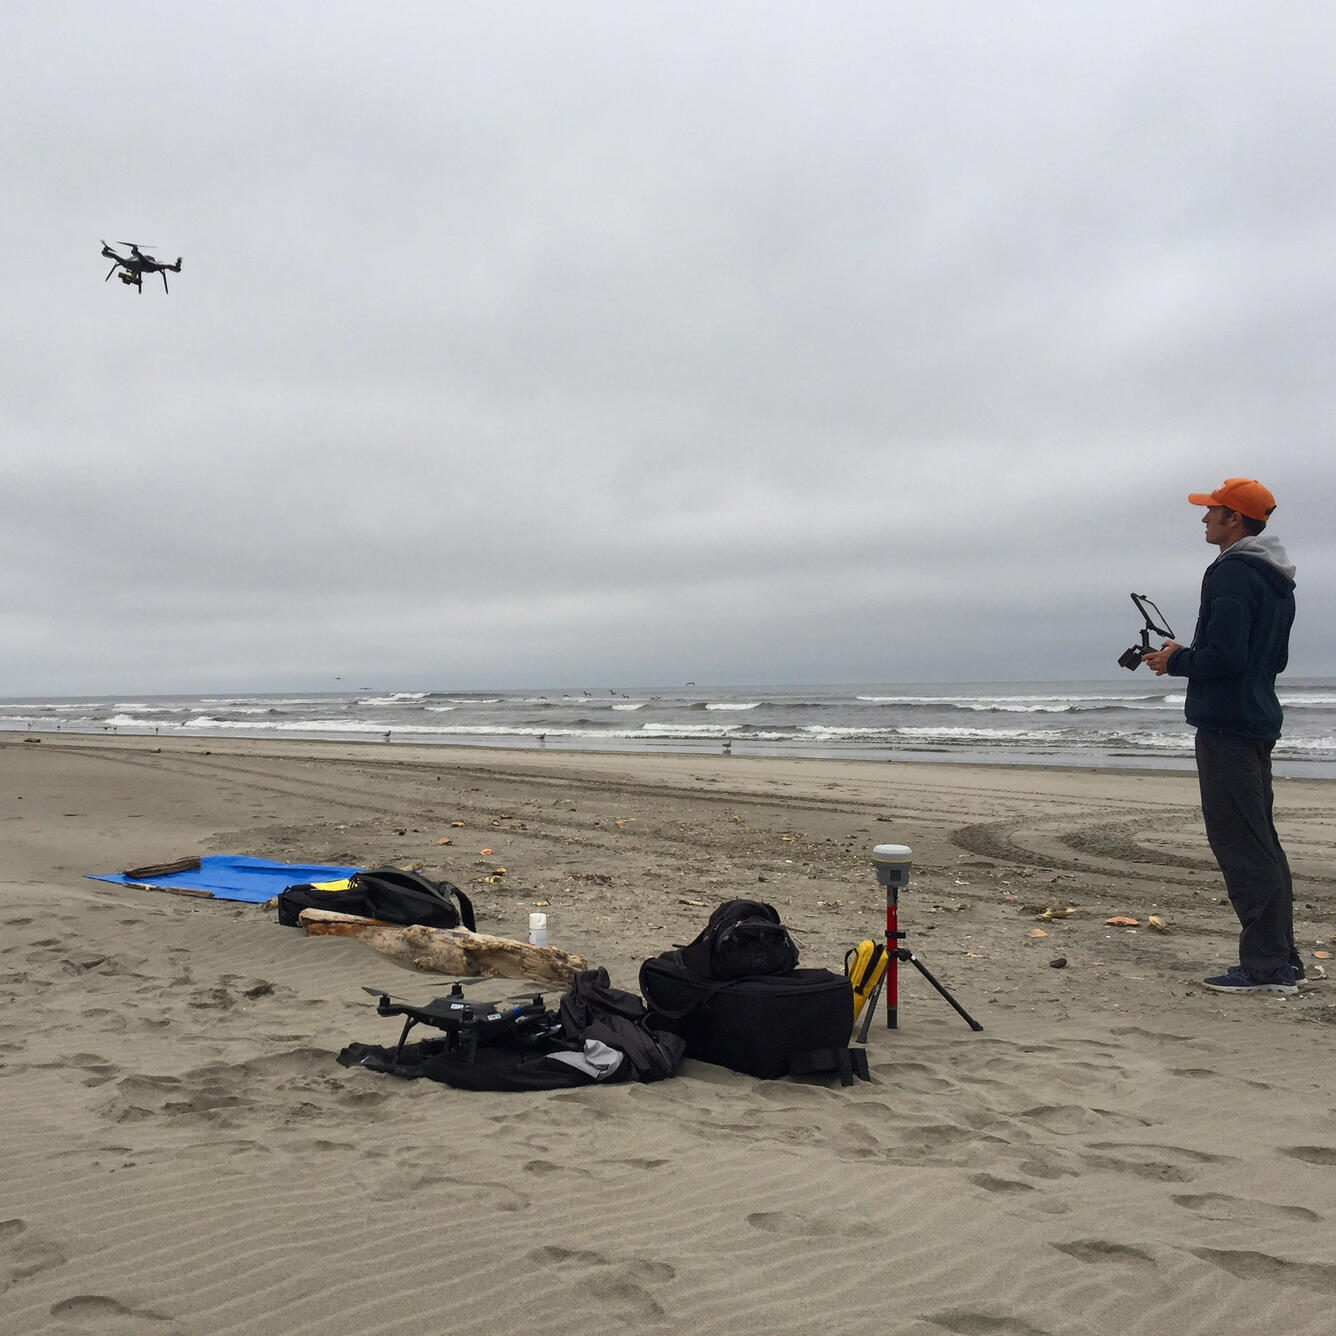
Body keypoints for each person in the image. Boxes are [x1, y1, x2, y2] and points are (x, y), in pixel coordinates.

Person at [1143, 478, 1299, 995]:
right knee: (1260, 841)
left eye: (1212, 511)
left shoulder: (1233, 571)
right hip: (1255, 717)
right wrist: (1192, 654)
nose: (1204, 519)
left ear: (1234, 519)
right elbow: (1265, 658)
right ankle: (1280, 959)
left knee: (1241, 844)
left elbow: (1228, 658)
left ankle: (1266, 968)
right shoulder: (1275, 577)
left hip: (1229, 724)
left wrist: (1178, 659)